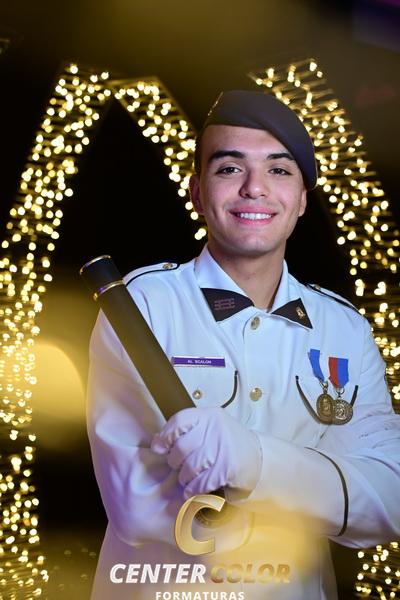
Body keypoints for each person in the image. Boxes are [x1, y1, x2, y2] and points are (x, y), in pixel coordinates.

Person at [87, 90, 400, 600]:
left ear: (302, 198)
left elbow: (387, 500)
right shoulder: (142, 307)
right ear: (197, 192)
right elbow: (137, 507)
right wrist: (325, 491)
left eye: (279, 170)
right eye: (230, 168)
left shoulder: (345, 328)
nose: (255, 188)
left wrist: (253, 463)